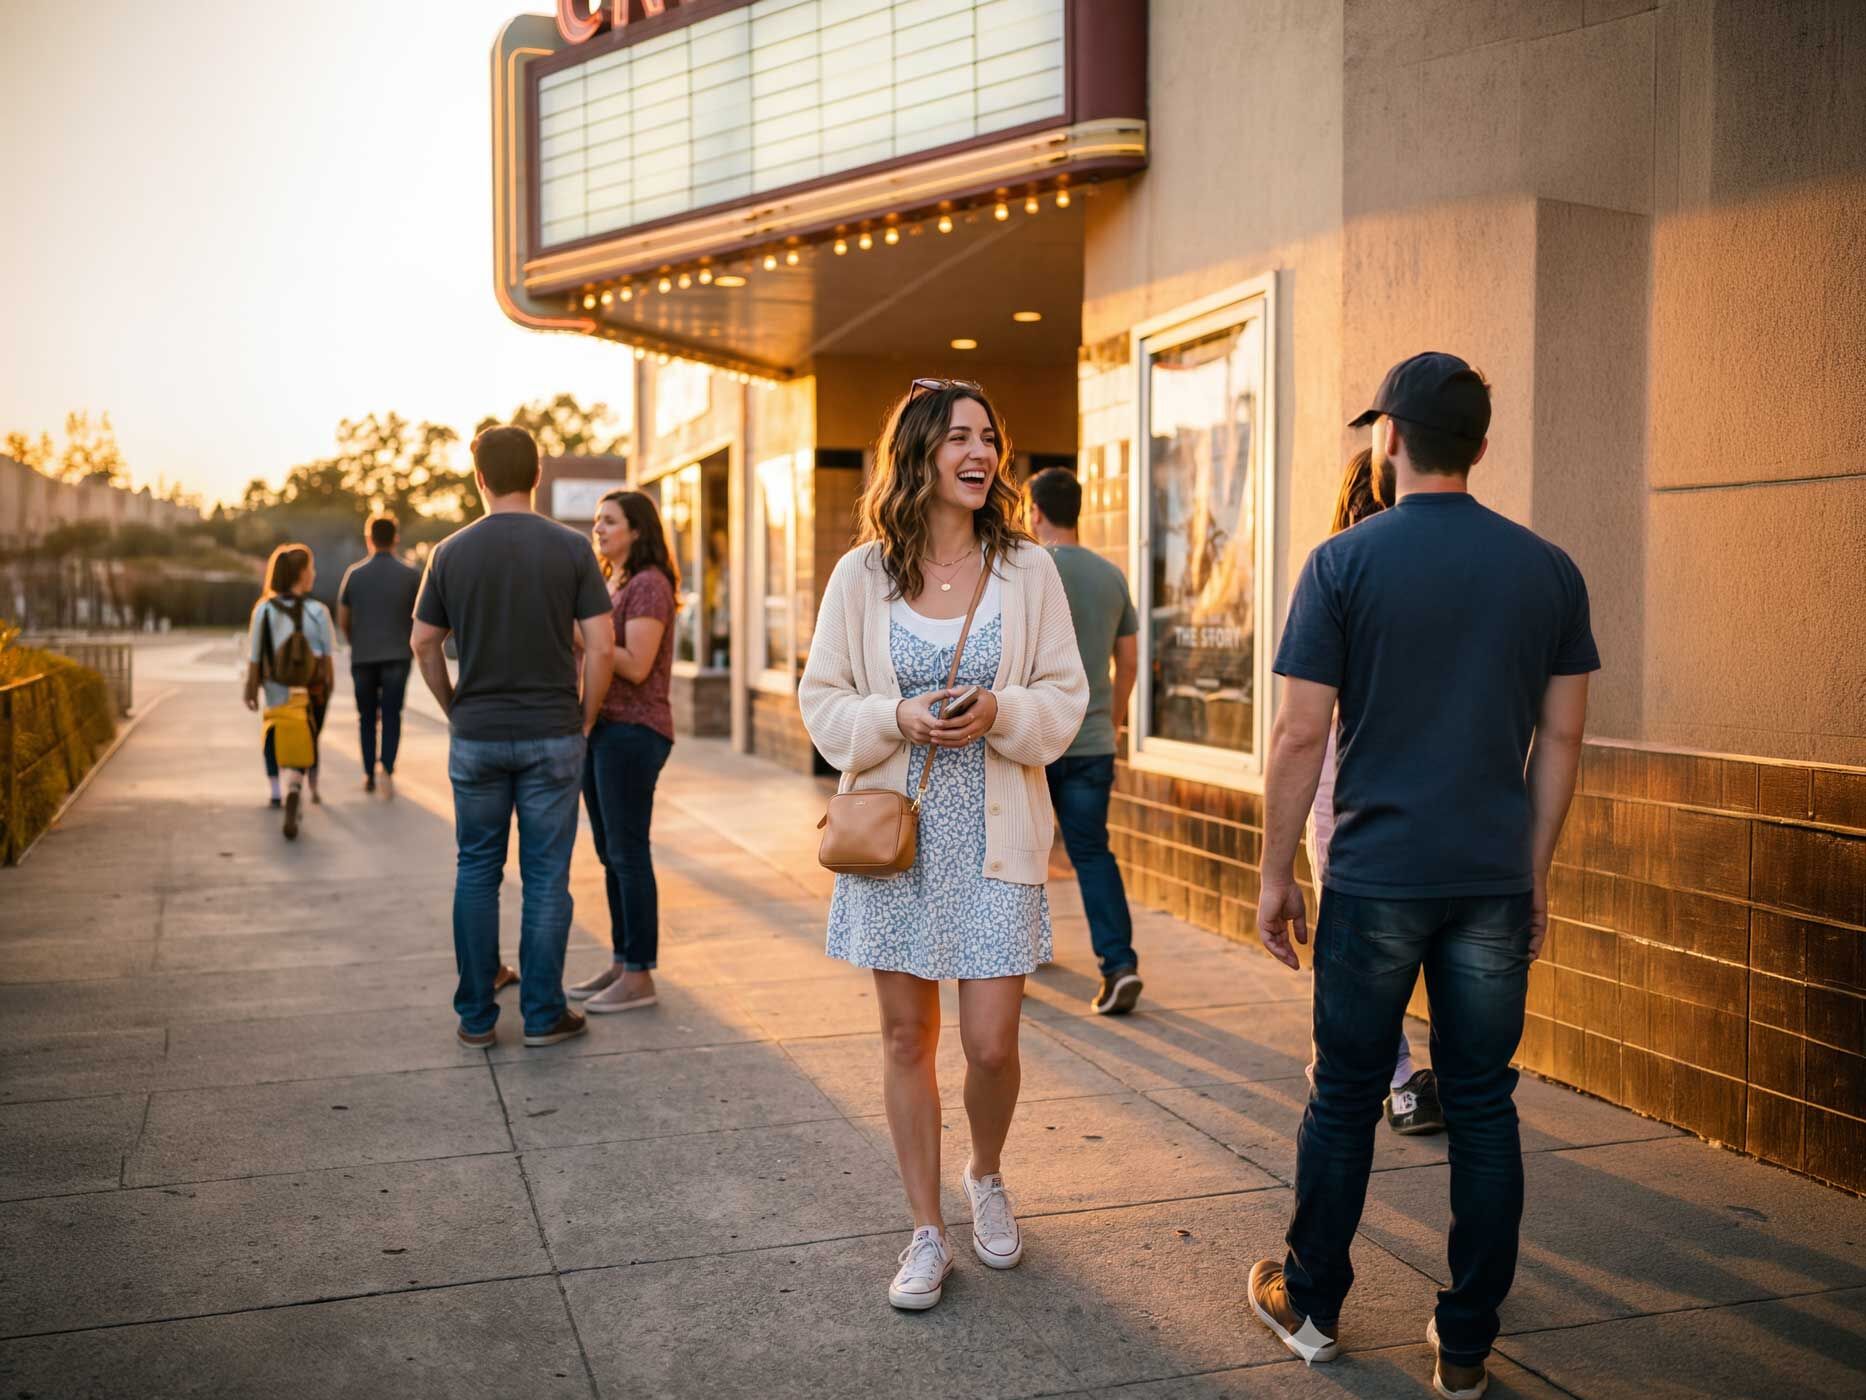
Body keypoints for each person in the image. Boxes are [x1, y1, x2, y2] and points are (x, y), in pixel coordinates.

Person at [1247, 354, 1596, 1399]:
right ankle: (1468, 1339)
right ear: (1481, 445)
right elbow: (1565, 739)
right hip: (1490, 875)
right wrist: (1533, 872)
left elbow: (1300, 733)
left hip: (1374, 875)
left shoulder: (1342, 563)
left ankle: (1310, 1304)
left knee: (1346, 1095)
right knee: (1484, 1103)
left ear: (1389, 436)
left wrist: (1273, 870)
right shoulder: (1549, 569)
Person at [800, 378, 1088, 1312]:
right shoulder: (863, 574)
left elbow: (1066, 695)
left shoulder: (1028, 571)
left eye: (989, 438)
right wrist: (897, 714)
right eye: (959, 436)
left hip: (996, 837)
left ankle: (987, 1173)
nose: (979, 453)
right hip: (900, 839)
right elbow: (822, 701)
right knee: (904, 1037)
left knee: (991, 1044)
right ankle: (926, 1230)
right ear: (919, 452)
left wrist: (1002, 709)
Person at [411, 425, 615, 1050]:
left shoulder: (448, 552)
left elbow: (423, 641)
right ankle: (542, 1015)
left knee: (476, 870)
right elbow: (603, 645)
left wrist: (454, 706)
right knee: (547, 878)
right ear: (538, 476)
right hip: (552, 731)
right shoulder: (570, 549)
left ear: (479, 479)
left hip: (477, 734)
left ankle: (476, 1017)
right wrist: (583, 717)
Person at [1306, 450, 1445, 1137]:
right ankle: (1383, 1076)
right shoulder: (1358, 567)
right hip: (1370, 779)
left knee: (1359, 945)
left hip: (1350, 778)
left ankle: (1372, 1074)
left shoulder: (1339, 564)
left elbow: (1301, 720)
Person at [1024, 467, 1143, 1015]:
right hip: (1093, 740)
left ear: (1037, 511)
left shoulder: (1027, 570)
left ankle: (1015, 954)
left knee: (1021, 850)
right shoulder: (1111, 575)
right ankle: (1119, 965)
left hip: (1033, 739)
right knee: (1091, 852)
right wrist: (1112, 723)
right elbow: (1130, 659)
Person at [569, 489, 678, 1014]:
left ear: (637, 529)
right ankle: (621, 959)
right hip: (604, 729)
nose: (599, 529)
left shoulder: (650, 585)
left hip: (635, 731)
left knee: (629, 853)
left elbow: (636, 663)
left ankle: (640, 975)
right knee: (610, 854)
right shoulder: (615, 583)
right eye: (596, 521)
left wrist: (585, 638)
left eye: (610, 521)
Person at [242, 543, 334, 841]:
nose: (314, 573)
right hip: (310, 687)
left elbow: (255, 655)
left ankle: (276, 790)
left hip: (275, 684)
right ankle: (298, 782)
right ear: (301, 574)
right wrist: (327, 687)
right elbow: (327, 656)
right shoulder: (318, 611)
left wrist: (250, 688)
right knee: (306, 733)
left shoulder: (263, 610)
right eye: (311, 568)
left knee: (274, 730)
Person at [337, 514, 421, 797]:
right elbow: (421, 618)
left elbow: (344, 619)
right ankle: (387, 768)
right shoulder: (411, 575)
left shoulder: (355, 574)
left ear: (369, 538)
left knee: (366, 717)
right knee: (392, 714)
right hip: (398, 654)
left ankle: (367, 773)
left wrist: (356, 641)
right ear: (396, 538)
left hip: (363, 656)